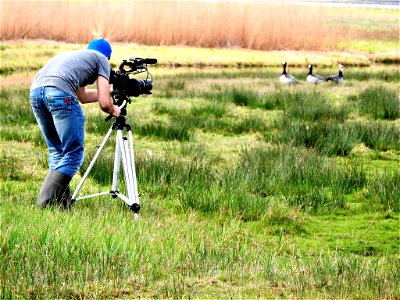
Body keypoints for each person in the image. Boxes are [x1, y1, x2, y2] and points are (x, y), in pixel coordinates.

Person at [30, 38, 121, 209]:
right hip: (60, 93)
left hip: (36, 93)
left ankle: (61, 206)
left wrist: (112, 91)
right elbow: (104, 103)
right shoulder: (102, 60)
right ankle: (46, 203)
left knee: (57, 151)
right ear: (107, 58)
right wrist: (113, 109)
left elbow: (83, 97)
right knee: (73, 154)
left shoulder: (76, 57)